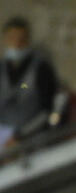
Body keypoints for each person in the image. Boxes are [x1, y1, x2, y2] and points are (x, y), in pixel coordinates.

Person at [1, 17, 59, 148]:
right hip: (4, 139)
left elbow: (48, 110)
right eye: (12, 38)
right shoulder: (2, 70)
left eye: (21, 39)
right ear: (5, 41)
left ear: (28, 40)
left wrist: (20, 136)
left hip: (35, 138)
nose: (16, 44)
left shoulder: (41, 69)